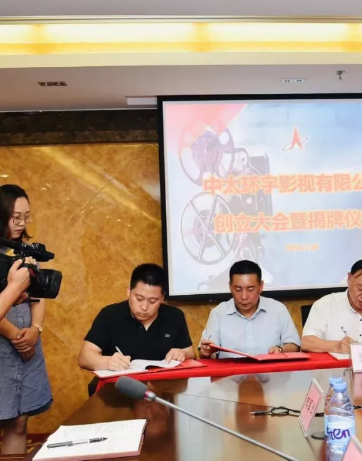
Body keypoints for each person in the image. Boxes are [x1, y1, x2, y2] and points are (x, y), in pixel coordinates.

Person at [78, 263, 195, 395]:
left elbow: (190, 353)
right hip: (118, 393)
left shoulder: (175, 316)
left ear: (162, 298)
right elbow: (84, 358)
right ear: (129, 291)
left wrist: (182, 354)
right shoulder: (110, 315)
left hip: (163, 392)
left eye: (152, 301)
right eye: (139, 298)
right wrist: (108, 362)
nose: (144, 307)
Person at [0, 185, 52, 455]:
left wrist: (34, 330)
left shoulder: (27, 252)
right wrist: (15, 336)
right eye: (15, 217)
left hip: (28, 346)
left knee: (19, 422)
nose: (22, 223)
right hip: (4, 346)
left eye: (26, 216)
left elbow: (38, 297)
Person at [199, 260, 300, 359]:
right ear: (230, 287)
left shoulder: (278, 309)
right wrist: (206, 352)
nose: (244, 296)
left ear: (261, 286)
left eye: (250, 289)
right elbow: (208, 355)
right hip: (231, 370)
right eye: (238, 289)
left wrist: (280, 349)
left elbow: (294, 345)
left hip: (269, 369)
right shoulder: (218, 313)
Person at [301, 259, 362, 353]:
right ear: (349, 279)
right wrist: (336, 346)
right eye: (360, 288)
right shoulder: (325, 305)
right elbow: (306, 343)